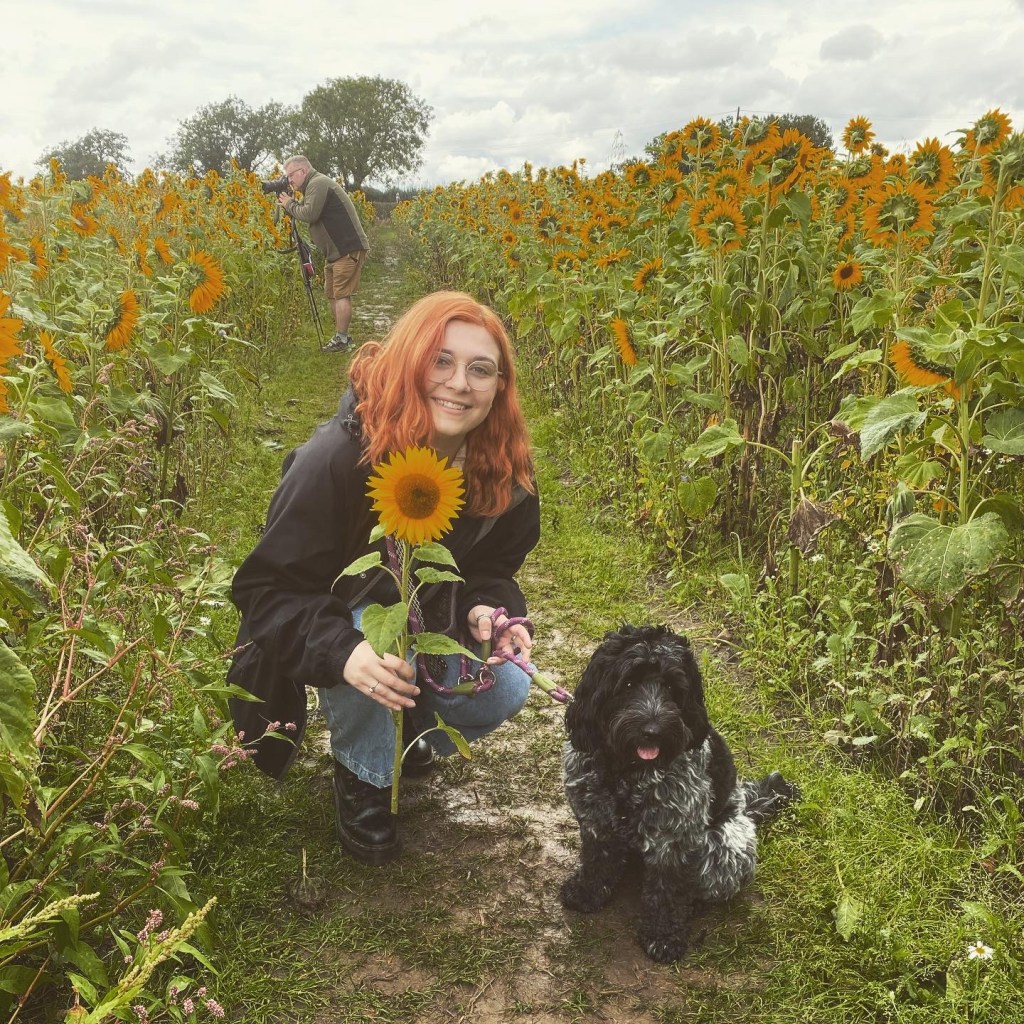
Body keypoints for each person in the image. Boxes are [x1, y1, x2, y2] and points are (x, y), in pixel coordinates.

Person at [227, 291, 541, 865]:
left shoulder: (500, 469)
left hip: (432, 616)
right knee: (375, 630)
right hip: (338, 624)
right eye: (440, 360)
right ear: (409, 361)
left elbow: (493, 566)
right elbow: (265, 590)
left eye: (481, 369)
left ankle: (410, 724)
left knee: (511, 685)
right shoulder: (336, 458)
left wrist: (487, 608)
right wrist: (342, 653)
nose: (459, 383)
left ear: (500, 387)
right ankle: (363, 775)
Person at [277, 155, 369, 352]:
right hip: (335, 252)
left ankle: (342, 339)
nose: (289, 180)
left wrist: (289, 205)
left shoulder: (318, 183)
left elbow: (310, 213)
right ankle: (341, 336)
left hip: (347, 248)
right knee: (332, 294)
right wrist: (291, 204)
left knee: (341, 294)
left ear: (303, 171)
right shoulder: (312, 186)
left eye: (291, 175)